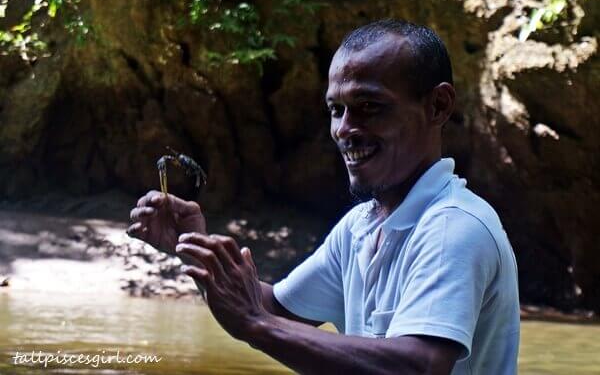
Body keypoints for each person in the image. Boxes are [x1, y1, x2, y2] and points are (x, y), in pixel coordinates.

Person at [127, 19, 520, 375]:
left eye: (369, 107)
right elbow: (278, 311)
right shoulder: (360, 227)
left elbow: (419, 366)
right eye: (336, 109)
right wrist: (192, 246)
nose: (344, 129)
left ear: (438, 106)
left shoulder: (454, 227)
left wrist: (256, 326)